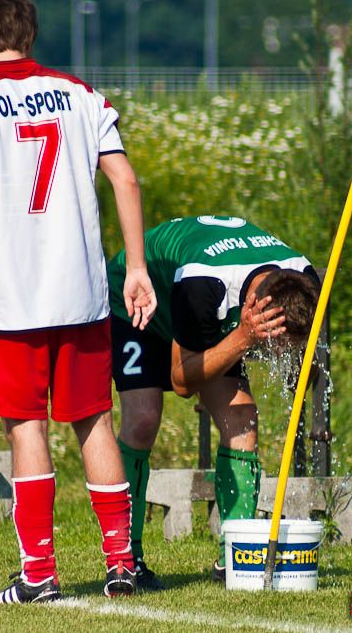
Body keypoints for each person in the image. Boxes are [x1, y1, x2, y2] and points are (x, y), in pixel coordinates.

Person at [0, 0, 157, 604]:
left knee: (25, 425)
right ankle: (121, 564)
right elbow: (125, 178)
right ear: (29, 33)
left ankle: (39, 575)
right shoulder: (83, 95)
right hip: (81, 292)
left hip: (10, 300)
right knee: (94, 421)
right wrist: (135, 266)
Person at [107, 215, 320, 587]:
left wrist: (296, 363)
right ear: (255, 307)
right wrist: (243, 338)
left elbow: (306, 362)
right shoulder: (203, 285)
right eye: (273, 342)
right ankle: (126, 556)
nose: (275, 353)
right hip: (138, 298)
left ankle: (234, 557)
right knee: (143, 417)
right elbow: (182, 380)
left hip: (216, 316)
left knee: (242, 419)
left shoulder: (304, 280)